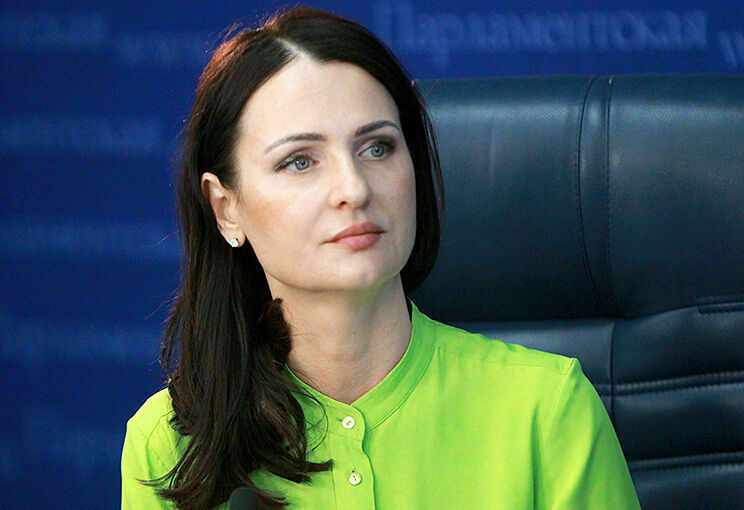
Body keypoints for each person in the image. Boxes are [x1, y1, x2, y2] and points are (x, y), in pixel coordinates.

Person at [121, 6, 641, 510]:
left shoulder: (547, 409)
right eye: (299, 161)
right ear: (225, 208)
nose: (354, 189)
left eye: (377, 148)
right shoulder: (171, 442)